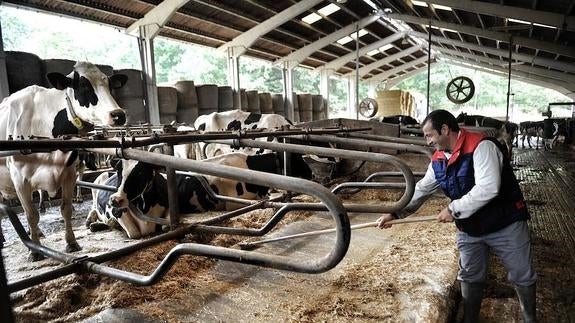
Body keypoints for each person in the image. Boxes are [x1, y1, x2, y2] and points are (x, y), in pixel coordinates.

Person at [377, 109, 536, 323]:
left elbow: (489, 187)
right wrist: (395, 212)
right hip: (469, 227)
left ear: (444, 130)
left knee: (521, 273)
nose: (427, 141)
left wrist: (453, 209)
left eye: (429, 135)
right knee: (469, 275)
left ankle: (529, 318)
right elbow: (422, 189)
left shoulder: (482, 147)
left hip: (505, 223)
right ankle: (470, 320)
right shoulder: (439, 160)